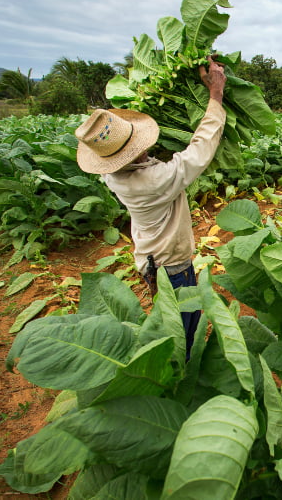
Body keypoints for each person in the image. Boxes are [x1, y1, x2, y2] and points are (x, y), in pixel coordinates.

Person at [74, 55, 227, 360]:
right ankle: (180, 374)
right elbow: (199, 151)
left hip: (151, 260)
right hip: (171, 267)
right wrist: (215, 95)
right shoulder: (152, 180)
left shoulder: (111, 174)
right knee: (182, 333)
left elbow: (150, 160)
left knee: (170, 322)